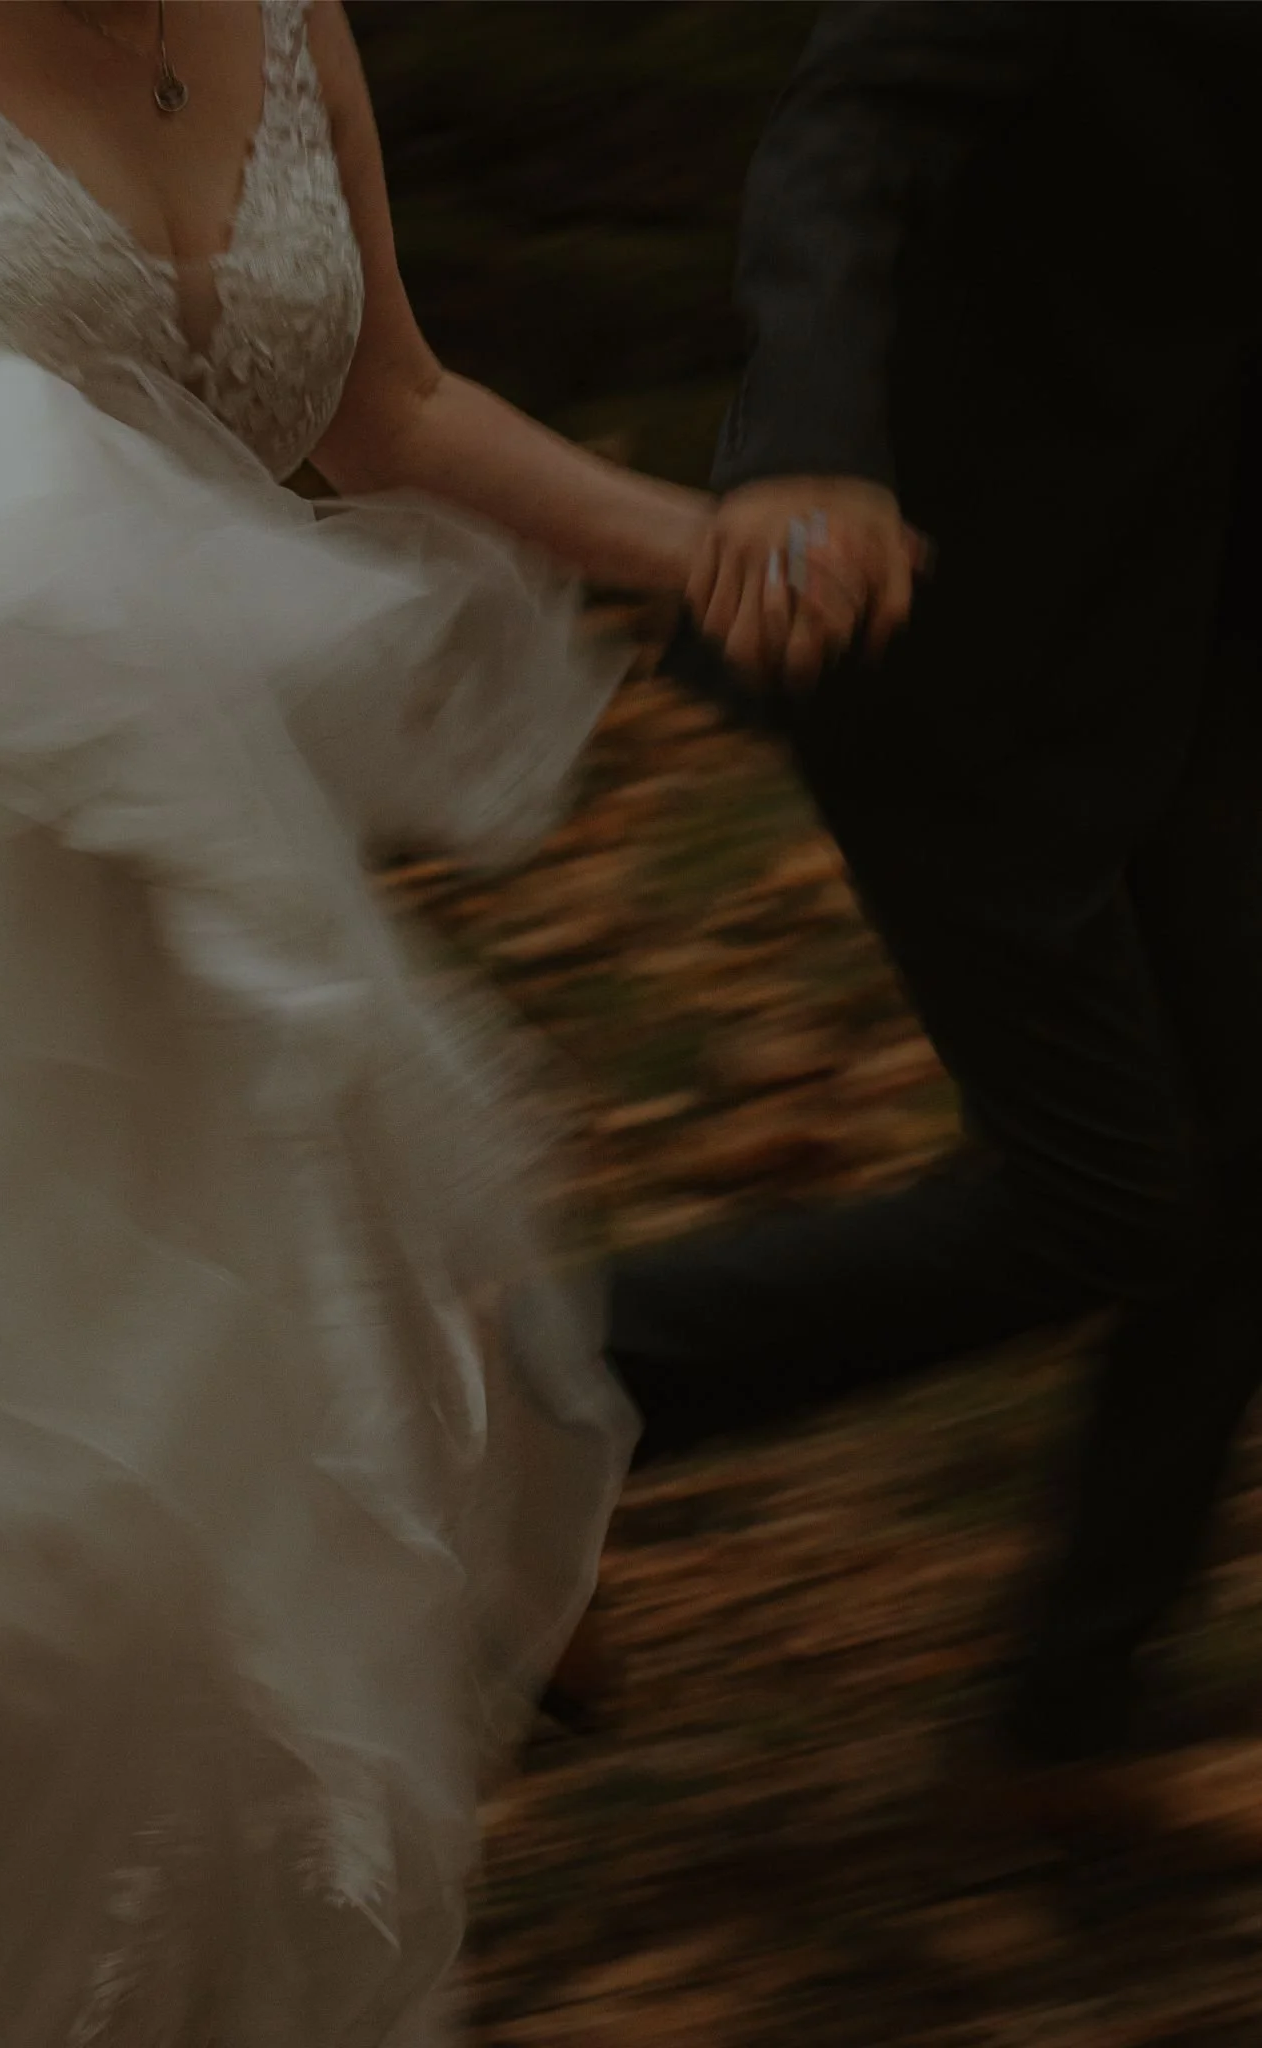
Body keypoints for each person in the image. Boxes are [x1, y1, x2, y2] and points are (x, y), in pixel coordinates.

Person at [0, 3, 783, 2040]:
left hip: (234, 933)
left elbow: (385, 407)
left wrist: (702, 544)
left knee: (233, 1597)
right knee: (7, 1576)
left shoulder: (290, 20)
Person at [608, 0, 1262, 1823]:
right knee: (1106, 1196)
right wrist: (807, 443)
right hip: (928, 610)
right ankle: (546, 1380)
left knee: (1245, 1174)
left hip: (1196, 619)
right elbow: (845, 135)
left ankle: (1077, 1710)